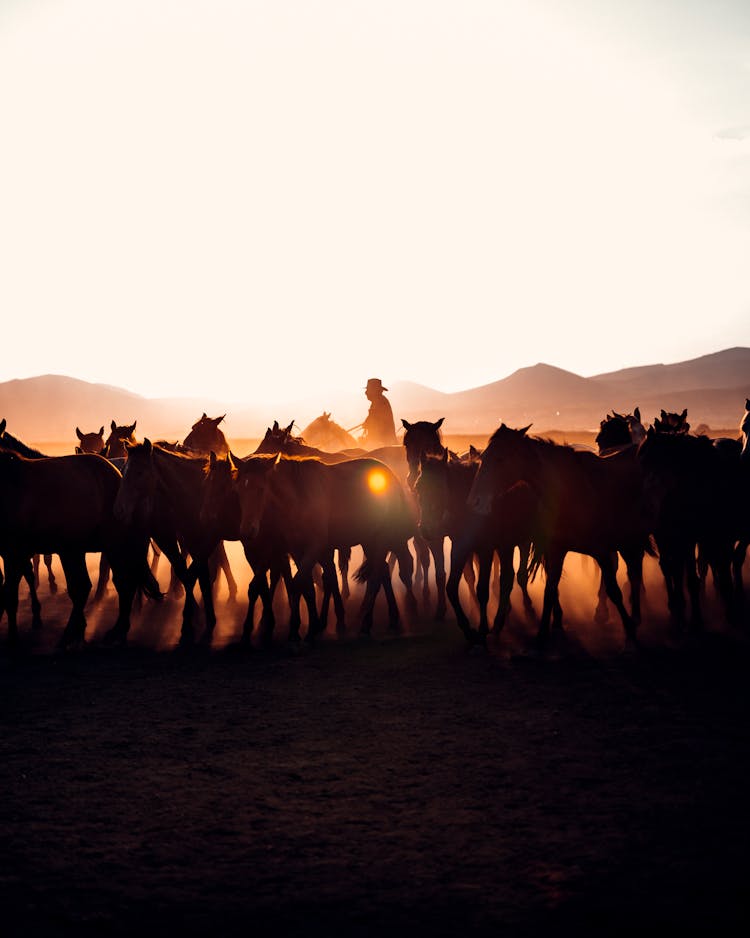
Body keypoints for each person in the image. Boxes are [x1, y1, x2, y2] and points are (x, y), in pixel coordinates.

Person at [360, 378, 397, 448]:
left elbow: (377, 422)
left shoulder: (380, 402)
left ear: (375, 391)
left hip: (383, 442)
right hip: (381, 440)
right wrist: (367, 422)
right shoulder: (377, 401)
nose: (366, 393)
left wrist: (368, 423)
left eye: (368, 390)